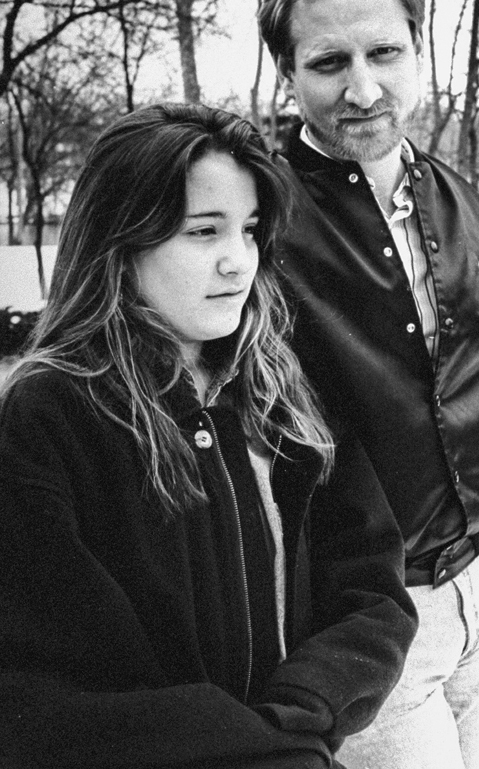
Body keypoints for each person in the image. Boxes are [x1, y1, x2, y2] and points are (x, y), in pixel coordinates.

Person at [0, 103, 417, 769]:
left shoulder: (281, 386)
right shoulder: (52, 412)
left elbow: (370, 587)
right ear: (120, 240)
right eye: (203, 232)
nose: (238, 263)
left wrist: (300, 715)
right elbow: (44, 683)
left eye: (249, 230)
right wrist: (248, 748)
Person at [259, 0, 479, 769]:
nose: (362, 88)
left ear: (420, 47)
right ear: (287, 71)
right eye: (328, 61)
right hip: (368, 617)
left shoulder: (463, 200)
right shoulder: (258, 219)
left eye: (384, 51)